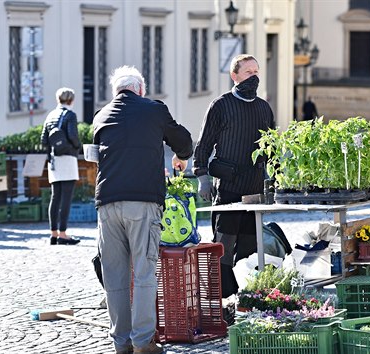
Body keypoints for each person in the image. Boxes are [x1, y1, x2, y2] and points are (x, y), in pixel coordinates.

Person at [93, 65, 193, 354]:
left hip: (107, 203)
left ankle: (120, 344)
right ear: (140, 89)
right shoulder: (154, 109)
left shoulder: (101, 116)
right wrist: (181, 157)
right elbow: (183, 141)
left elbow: (93, 156)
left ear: (116, 92)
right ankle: (143, 342)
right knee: (145, 272)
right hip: (143, 202)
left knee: (115, 276)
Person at [193, 54, 275, 299]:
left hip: (255, 191)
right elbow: (204, 144)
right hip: (228, 189)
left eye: (256, 71)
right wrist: (202, 177)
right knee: (223, 247)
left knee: (250, 249)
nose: (254, 76)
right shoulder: (221, 105)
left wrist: (277, 178)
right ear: (235, 75)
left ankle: (247, 298)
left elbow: (272, 147)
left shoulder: (263, 107)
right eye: (248, 72)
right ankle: (219, 298)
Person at [40, 87, 81, 245]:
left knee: (55, 197)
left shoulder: (50, 115)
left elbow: (44, 139)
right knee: (66, 197)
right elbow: (73, 136)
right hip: (68, 158)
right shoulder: (70, 115)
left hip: (54, 160)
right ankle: (63, 234)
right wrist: (77, 147)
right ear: (71, 100)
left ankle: (53, 233)